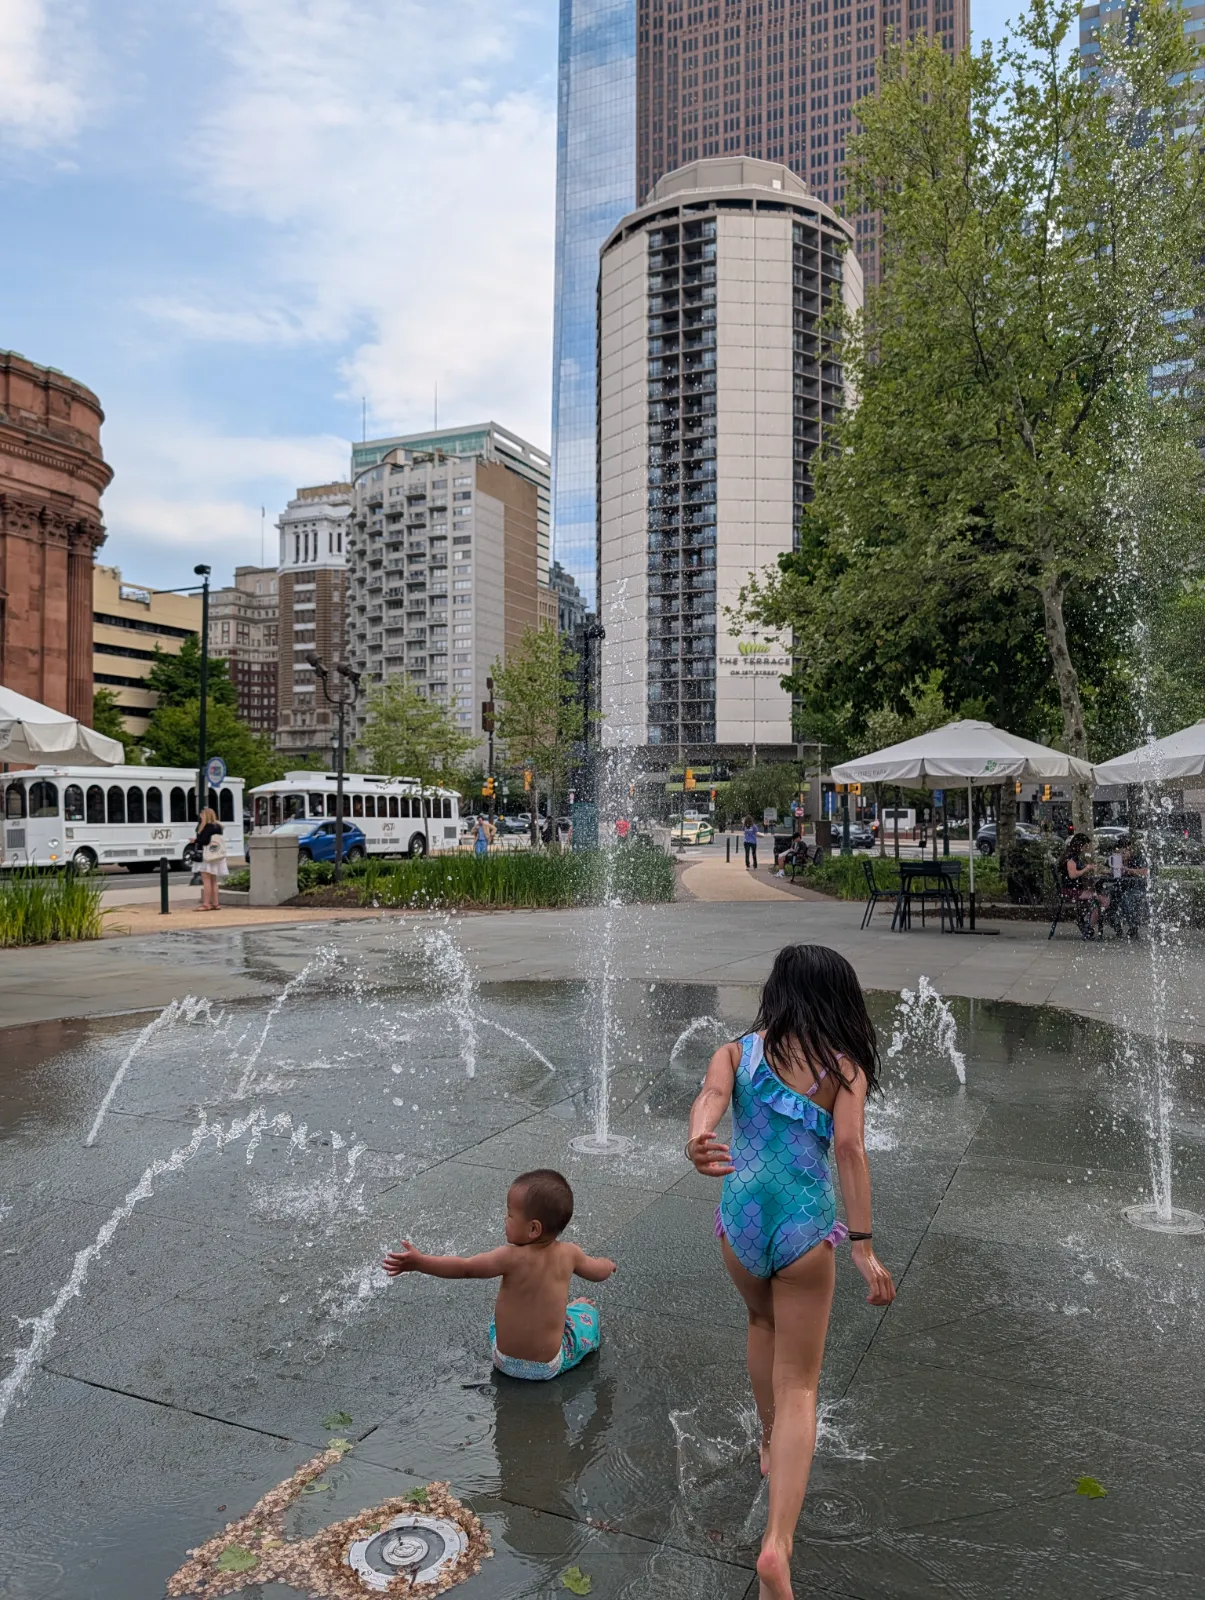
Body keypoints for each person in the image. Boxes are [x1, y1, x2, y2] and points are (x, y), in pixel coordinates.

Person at [685, 945, 895, 1600]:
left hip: (739, 1221)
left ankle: (770, 1442)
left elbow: (709, 1099)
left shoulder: (734, 1051)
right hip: (803, 1227)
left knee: (758, 1321)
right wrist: (861, 1245)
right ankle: (777, 1546)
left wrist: (697, 1138)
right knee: (801, 1381)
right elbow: (851, 1149)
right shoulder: (843, 1067)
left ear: (775, 991)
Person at [383, 1169, 616, 1381]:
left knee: (500, 1317)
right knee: (587, 1314)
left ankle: (558, 1316)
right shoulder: (570, 1254)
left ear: (534, 1228)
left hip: (504, 1361)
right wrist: (608, 1264)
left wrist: (421, 1262)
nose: (505, 1220)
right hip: (546, 1367)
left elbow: (465, 1267)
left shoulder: (508, 1257)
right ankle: (574, 1311)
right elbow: (598, 1272)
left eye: (510, 1215)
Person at [1059, 832, 1110, 940]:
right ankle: (1088, 925)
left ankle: (1087, 920)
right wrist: (1086, 869)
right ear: (1080, 845)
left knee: (1097, 896)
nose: (1086, 848)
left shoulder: (1073, 856)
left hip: (1075, 889)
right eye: (1085, 846)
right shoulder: (1071, 858)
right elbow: (1073, 875)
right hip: (1071, 891)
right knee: (1105, 901)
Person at [194, 806, 227, 912]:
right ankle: (216, 903)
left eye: (202, 814)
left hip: (207, 855)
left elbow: (204, 841)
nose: (200, 816)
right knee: (214, 880)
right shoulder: (218, 826)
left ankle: (206, 903)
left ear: (205, 815)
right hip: (216, 855)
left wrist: (195, 840)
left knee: (206, 880)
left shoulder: (207, 826)